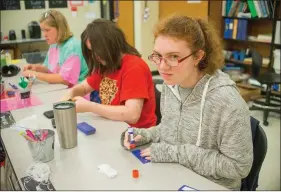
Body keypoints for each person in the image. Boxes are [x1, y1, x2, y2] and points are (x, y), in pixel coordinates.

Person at [121, 15, 253, 190]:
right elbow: (170, 129)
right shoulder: (171, 84)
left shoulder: (227, 101)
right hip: (173, 175)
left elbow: (239, 167)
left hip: (210, 185)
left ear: (198, 56)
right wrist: (145, 135)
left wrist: (175, 153)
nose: (162, 67)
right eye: (157, 56)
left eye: (173, 56)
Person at [61, 19, 156, 128]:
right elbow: (84, 88)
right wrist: (71, 93)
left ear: (111, 45)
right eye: (91, 52)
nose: (95, 56)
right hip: (114, 126)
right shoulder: (105, 65)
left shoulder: (134, 67)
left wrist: (90, 106)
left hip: (136, 133)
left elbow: (132, 115)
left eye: (97, 51)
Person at [22, 10, 88, 86]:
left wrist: (35, 74)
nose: (44, 35)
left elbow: (65, 79)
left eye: (47, 30)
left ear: (60, 29)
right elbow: (48, 67)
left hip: (80, 91)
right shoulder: (54, 44)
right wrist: (35, 68)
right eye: (42, 30)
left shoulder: (73, 47)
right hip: (61, 88)